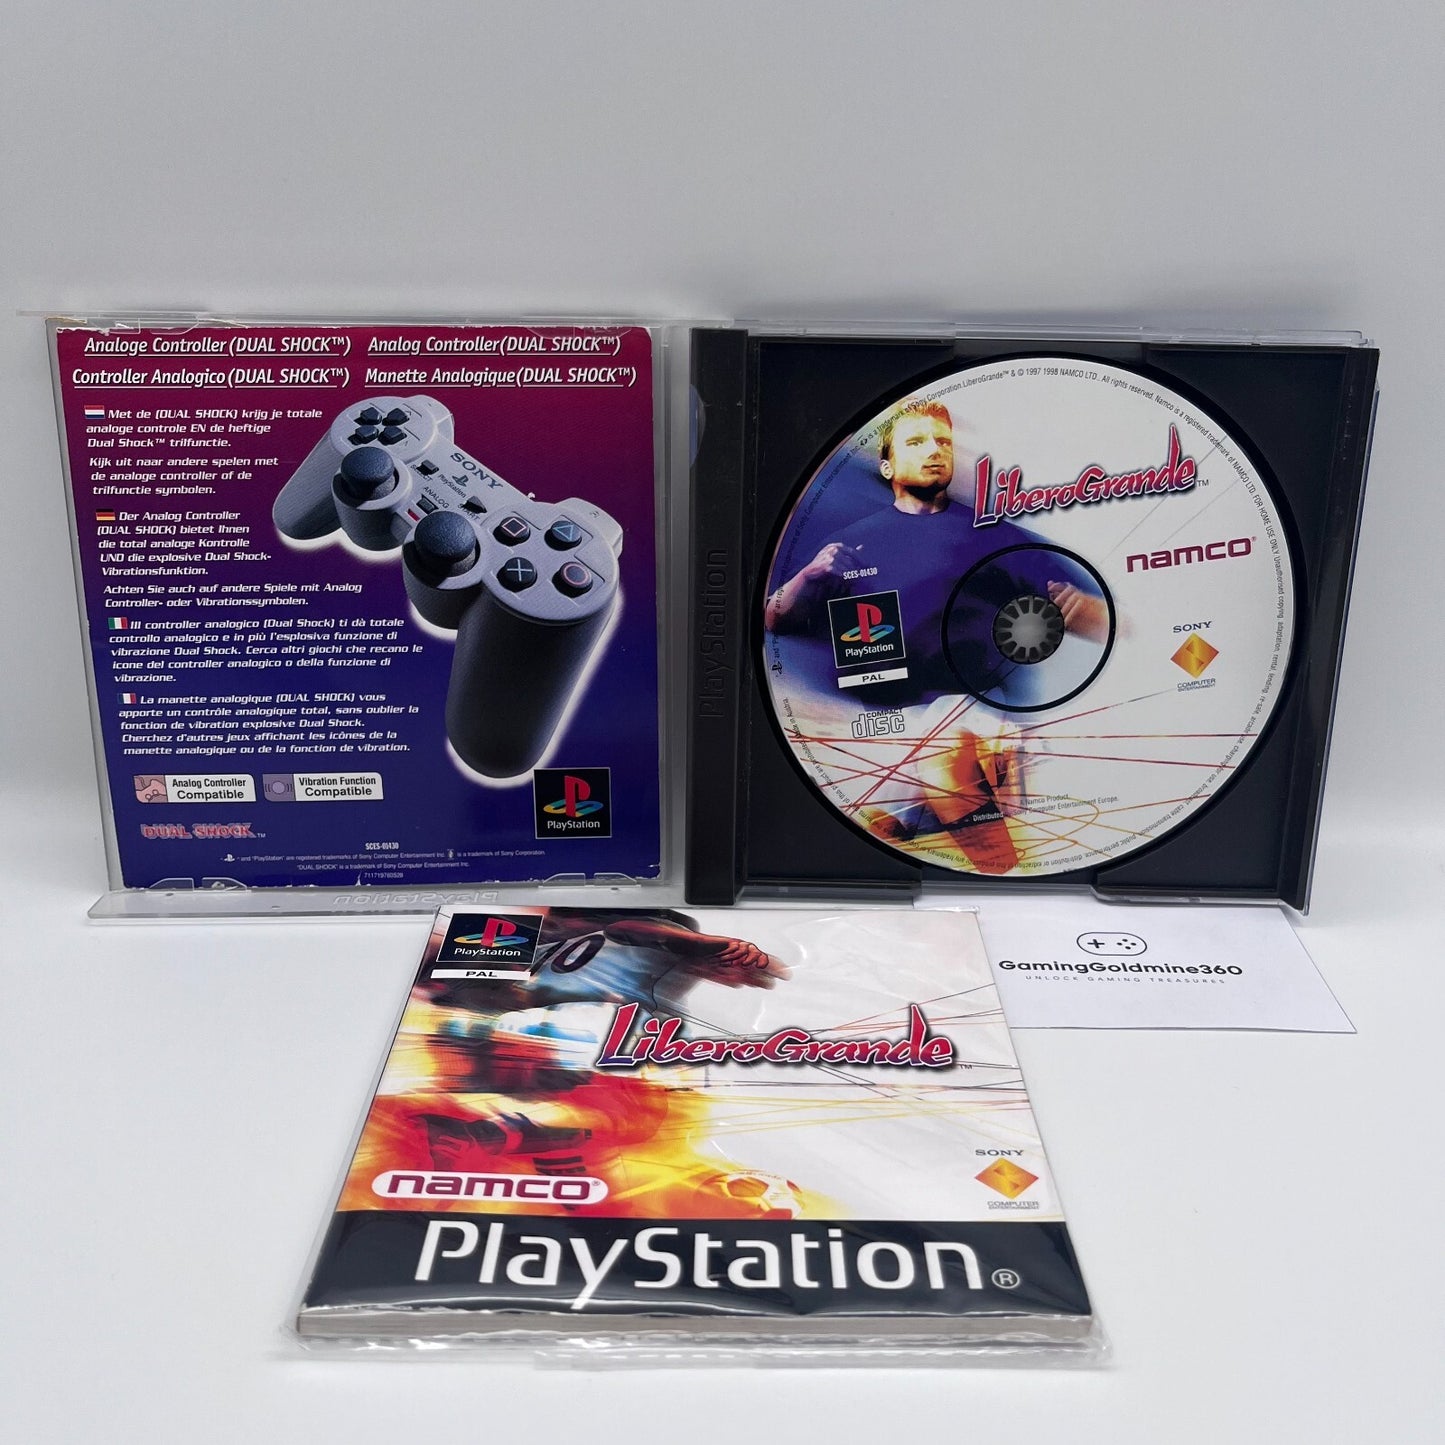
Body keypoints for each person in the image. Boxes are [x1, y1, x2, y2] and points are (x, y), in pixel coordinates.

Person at [764, 398, 1109, 874]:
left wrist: (1078, 609)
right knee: (882, 831)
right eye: (917, 441)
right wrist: (809, 575)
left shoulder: (993, 535)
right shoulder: (848, 544)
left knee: (950, 734)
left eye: (943, 441)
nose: (935, 450)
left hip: (977, 723)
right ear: (887, 466)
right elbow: (774, 619)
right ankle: (929, 821)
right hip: (879, 735)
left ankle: (989, 854)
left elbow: (1103, 618)